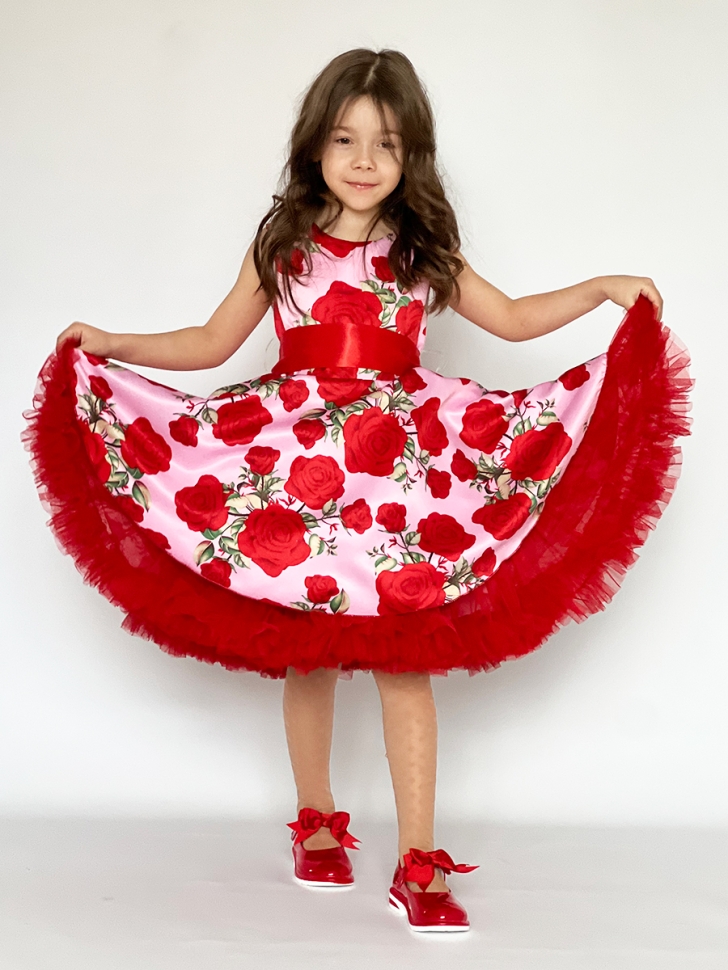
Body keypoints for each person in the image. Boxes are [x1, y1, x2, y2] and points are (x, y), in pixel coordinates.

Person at [23, 48, 692, 933]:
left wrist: (602, 288)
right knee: (307, 655)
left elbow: (513, 318)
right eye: (346, 139)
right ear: (315, 147)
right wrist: (117, 344)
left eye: (388, 143)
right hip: (296, 471)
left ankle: (419, 862)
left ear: (412, 156)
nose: (366, 160)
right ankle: (316, 821)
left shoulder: (420, 250)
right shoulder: (284, 245)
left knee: (404, 662)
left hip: (396, 481)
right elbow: (212, 342)